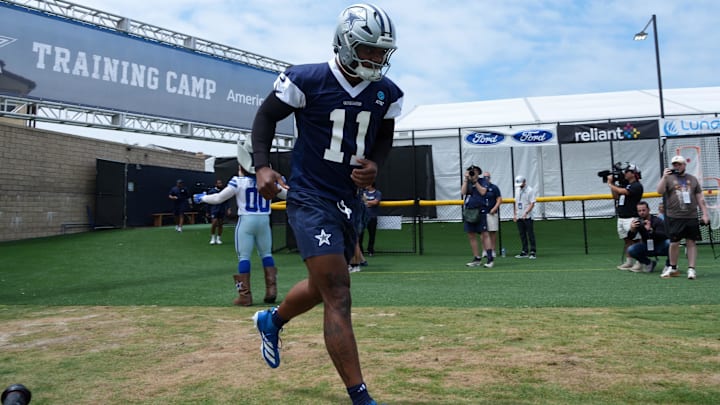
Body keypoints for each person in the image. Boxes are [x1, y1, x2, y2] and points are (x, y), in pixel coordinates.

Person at [249, 4, 402, 405]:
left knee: (324, 286)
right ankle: (360, 396)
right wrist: (262, 166)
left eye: (380, 51)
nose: (374, 58)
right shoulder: (308, 78)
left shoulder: (386, 92)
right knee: (339, 291)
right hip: (310, 195)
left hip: (349, 200)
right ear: (346, 43)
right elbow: (265, 117)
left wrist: (375, 165)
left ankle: (272, 319)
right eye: (367, 49)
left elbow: (383, 136)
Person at [194, 140, 286, 306]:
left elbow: (218, 198)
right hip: (264, 220)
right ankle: (271, 290)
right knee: (266, 254)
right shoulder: (268, 181)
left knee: (244, 257)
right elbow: (287, 195)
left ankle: (245, 296)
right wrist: (283, 185)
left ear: (242, 166)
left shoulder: (238, 181)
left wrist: (202, 198)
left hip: (246, 220)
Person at [656, 155, 710, 280]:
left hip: (691, 216)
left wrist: (705, 214)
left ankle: (691, 269)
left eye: (679, 164)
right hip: (674, 217)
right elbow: (659, 191)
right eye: (675, 164)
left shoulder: (692, 179)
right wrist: (664, 177)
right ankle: (673, 267)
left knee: (691, 242)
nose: (677, 166)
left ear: (684, 165)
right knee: (674, 242)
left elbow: (700, 198)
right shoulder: (668, 178)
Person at [607, 163, 644, 271]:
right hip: (622, 217)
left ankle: (639, 262)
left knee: (636, 240)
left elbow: (622, 191)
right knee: (627, 240)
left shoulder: (637, 185)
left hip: (631, 217)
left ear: (633, 174)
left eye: (627, 171)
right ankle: (629, 262)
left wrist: (610, 183)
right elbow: (616, 195)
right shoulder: (626, 184)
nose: (625, 173)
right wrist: (613, 184)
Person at [626, 201, 670, 273]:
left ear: (649, 210)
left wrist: (651, 231)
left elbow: (664, 235)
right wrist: (632, 229)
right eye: (639, 211)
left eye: (643, 210)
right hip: (647, 246)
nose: (642, 212)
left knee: (670, 243)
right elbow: (630, 237)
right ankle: (649, 263)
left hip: (660, 246)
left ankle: (669, 265)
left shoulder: (657, 220)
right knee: (631, 249)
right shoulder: (639, 222)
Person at [462, 165, 492, 268]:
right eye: (470, 171)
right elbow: (463, 192)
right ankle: (477, 258)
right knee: (471, 235)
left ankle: (489, 258)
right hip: (469, 211)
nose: (472, 173)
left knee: (484, 234)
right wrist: (466, 180)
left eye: (474, 171)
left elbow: (483, 192)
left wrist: (475, 182)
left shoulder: (482, 181)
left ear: (478, 172)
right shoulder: (468, 182)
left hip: (480, 210)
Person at [513, 175, 537, 259]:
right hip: (519, 215)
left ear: (524, 182)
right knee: (522, 234)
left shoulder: (530, 190)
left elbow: (532, 203)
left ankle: (533, 251)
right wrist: (515, 214)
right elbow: (515, 202)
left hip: (528, 216)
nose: (520, 186)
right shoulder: (517, 190)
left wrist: (526, 212)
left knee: (530, 234)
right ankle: (524, 251)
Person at [482, 171, 502, 259]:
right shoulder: (481, 187)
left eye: (488, 177)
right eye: (485, 177)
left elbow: (499, 199)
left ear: (490, 178)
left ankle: (492, 250)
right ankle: (485, 250)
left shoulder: (494, 188)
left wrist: (494, 208)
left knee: (492, 232)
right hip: (483, 212)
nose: (486, 179)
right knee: (483, 233)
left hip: (492, 212)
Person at [360, 183, 382, 256]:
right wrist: (369, 203)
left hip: (372, 217)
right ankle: (360, 251)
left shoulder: (377, 193)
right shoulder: (364, 192)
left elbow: (375, 202)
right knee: (360, 234)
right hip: (363, 217)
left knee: (372, 234)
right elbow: (361, 201)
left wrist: (367, 202)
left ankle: (370, 250)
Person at [207, 179, 230, 245]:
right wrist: (207, 211)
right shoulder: (211, 191)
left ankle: (218, 238)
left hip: (221, 209)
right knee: (214, 223)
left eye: (221, 183)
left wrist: (228, 208)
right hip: (214, 209)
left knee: (220, 224)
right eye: (219, 183)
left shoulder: (223, 191)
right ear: (216, 184)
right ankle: (212, 238)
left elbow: (226, 201)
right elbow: (208, 201)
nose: (220, 184)